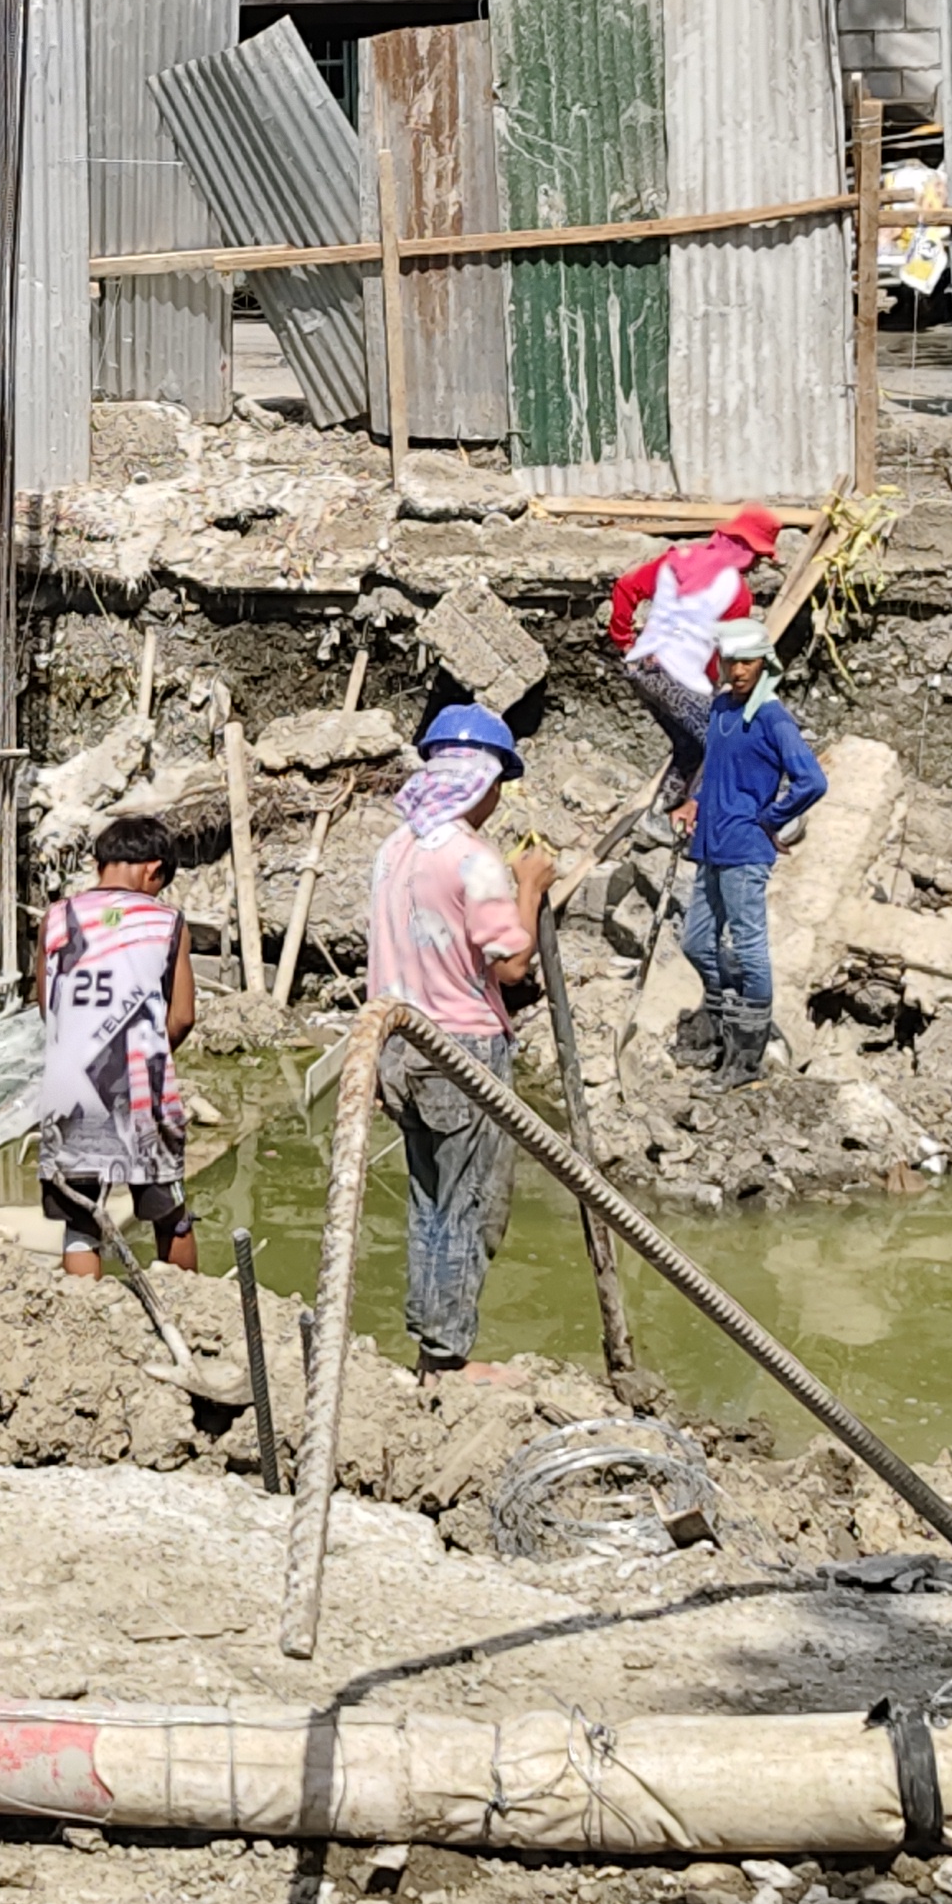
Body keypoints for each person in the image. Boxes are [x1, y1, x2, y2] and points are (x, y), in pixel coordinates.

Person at [365, 704, 558, 1380]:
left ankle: (428, 1342)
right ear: (482, 781)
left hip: (397, 1046)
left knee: (428, 1203)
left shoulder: (395, 850)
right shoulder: (472, 859)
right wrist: (529, 889)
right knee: (469, 1206)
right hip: (461, 1051)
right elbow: (509, 965)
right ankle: (447, 1356)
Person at [32, 811, 198, 1278]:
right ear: (153, 870)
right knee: (171, 1214)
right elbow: (182, 1016)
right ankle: (185, 1310)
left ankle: (84, 1323)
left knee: (80, 1222)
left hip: (68, 1094)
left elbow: (49, 1008)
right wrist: (150, 1053)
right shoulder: (167, 921)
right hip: (141, 1089)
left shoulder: (57, 917)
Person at [679, 615, 829, 1088]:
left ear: (765, 662)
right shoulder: (723, 708)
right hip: (711, 845)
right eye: (731, 660)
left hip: (744, 849)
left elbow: (812, 781)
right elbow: (719, 769)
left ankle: (745, 1059)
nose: (738, 670)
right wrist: (694, 802)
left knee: (748, 949)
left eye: (748, 661)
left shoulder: (772, 717)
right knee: (697, 943)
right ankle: (725, 1031)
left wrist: (770, 818)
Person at [602, 504, 782, 806]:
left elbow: (626, 587)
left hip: (642, 670)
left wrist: (624, 640)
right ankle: (749, 812)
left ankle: (659, 819)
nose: (755, 566)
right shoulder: (737, 592)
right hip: (676, 675)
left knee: (690, 747)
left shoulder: (675, 560)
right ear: (743, 548)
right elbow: (720, 652)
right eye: (757, 557)